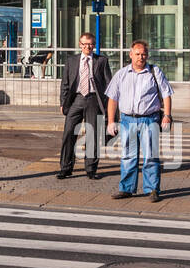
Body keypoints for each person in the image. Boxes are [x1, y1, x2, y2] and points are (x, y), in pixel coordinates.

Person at [105, 40, 173, 202]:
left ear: (147, 55)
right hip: (127, 120)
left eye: (143, 54)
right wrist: (111, 121)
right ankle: (126, 189)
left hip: (149, 119)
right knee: (128, 156)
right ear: (130, 55)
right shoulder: (121, 74)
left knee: (150, 156)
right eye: (137, 54)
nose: (141, 57)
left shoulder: (154, 72)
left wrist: (167, 115)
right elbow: (113, 99)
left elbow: (166, 94)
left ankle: (152, 190)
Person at [58, 32, 113, 180]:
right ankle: (66, 168)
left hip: (94, 100)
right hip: (76, 99)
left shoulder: (101, 61)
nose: (87, 47)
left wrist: (108, 105)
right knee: (69, 132)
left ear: (94, 45)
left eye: (90, 44)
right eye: (84, 44)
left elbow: (109, 84)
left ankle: (91, 169)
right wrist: (63, 102)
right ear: (80, 45)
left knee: (93, 135)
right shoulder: (71, 61)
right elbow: (65, 83)